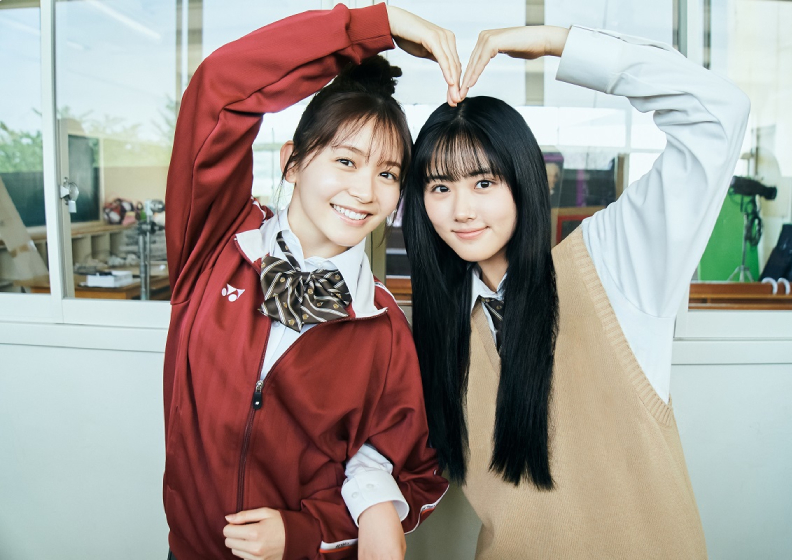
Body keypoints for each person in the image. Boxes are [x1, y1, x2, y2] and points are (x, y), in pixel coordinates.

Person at [352, 23, 751, 559]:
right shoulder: (430, 331)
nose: (462, 209)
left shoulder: (613, 266)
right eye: (440, 187)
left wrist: (558, 44)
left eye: (484, 182)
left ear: (523, 180)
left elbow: (719, 114)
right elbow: (373, 443)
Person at [163, 4, 461, 559]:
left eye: (388, 173)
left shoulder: (382, 328)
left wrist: (302, 532)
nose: (366, 192)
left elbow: (418, 478)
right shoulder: (214, 244)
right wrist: (372, 27)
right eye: (346, 161)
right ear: (292, 163)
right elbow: (220, 89)